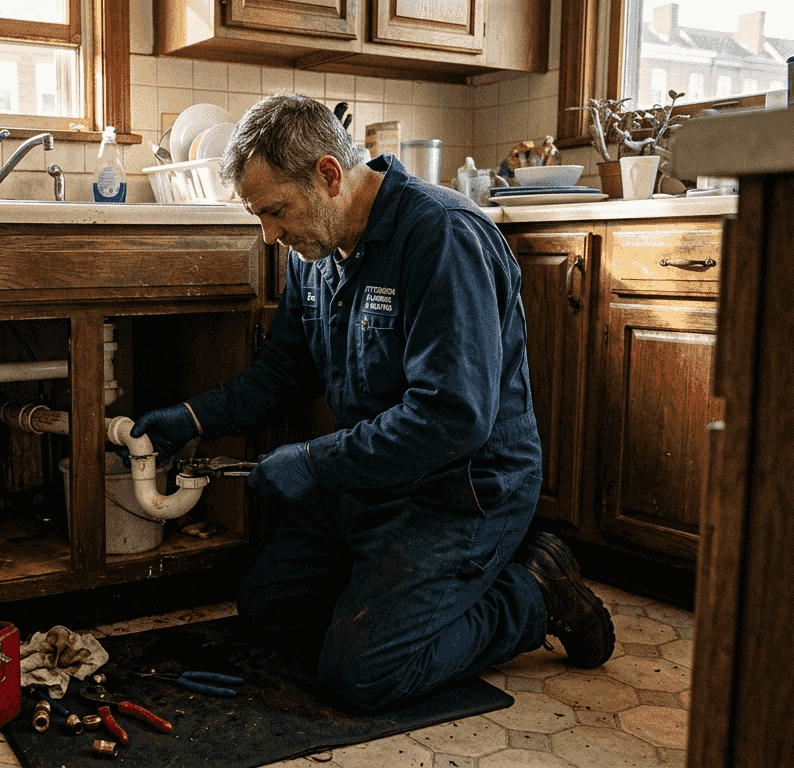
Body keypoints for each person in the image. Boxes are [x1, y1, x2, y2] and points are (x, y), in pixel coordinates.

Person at [127, 94, 616, 711]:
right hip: (371, 482)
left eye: (276, 211)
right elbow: (285, 368)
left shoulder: (442, 236)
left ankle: (533, 592)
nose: (270, 235)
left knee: (362, 675)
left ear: (329, 175)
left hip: (459, 492)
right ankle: (409, 591)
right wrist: (194, 417)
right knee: (265, 611)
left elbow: (452, 416)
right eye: (260, 216)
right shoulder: (317, 250)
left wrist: (312, 462)